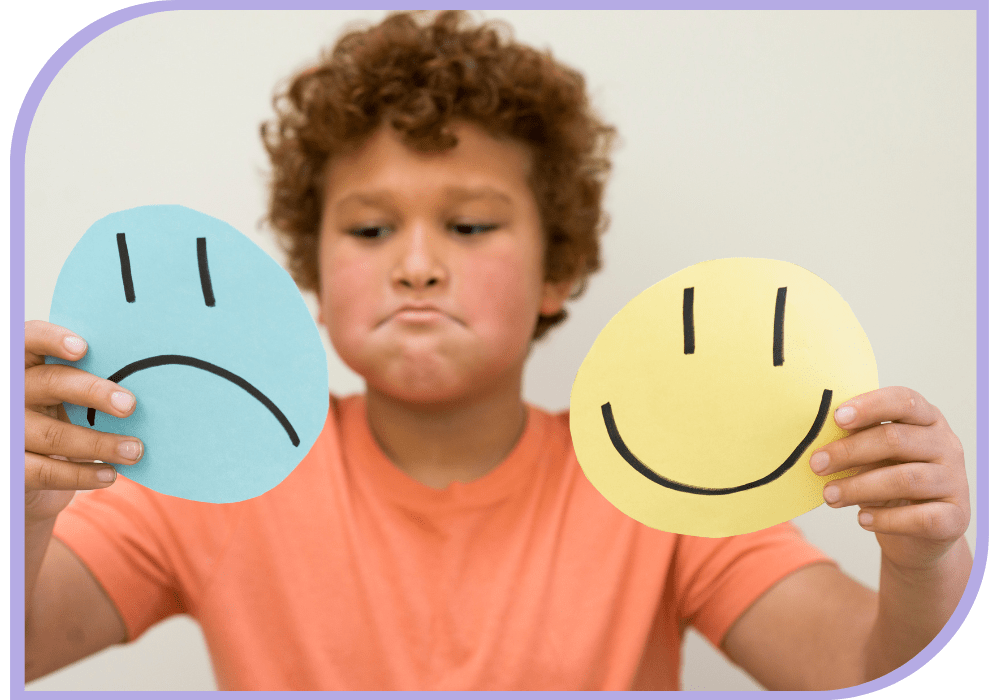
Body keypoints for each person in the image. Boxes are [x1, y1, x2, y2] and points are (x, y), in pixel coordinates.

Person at [23, 10, 972, 691]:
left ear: (557, 267)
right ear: (308, 274)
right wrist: (24, 506)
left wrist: (923, 565)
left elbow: (863, 669)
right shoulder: (218, 480)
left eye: (471, 225)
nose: (419, 266)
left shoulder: (661, 486)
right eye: (368, 231)